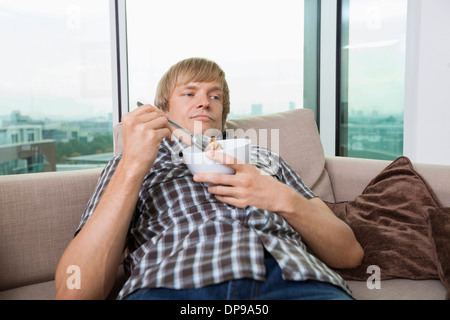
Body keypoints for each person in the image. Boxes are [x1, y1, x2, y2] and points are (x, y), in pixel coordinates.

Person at [55, 57, 364, 300]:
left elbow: (350, 253)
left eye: (214, 96)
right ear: (164, 110)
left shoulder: (265, 159)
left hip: (294, 282)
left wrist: (281, 198)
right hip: (170, 286)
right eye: (189, 93)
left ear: (223, 114)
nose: (204, 102)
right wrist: (134, 166)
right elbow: (75, 290)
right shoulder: (128, 165)